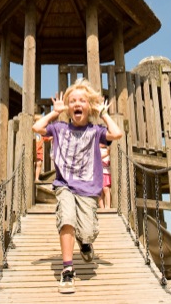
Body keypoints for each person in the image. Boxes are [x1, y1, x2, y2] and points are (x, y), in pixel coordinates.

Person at [32, 78, 123, 294]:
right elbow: (37, 127)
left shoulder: (96, 131)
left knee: (88, 230)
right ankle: (67, 270)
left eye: (82, 100)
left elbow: (117, 134)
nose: (76, 103)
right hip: (64, 184)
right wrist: (55, 113)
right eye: (72, 101)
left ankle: (85, 243)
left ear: (89, 106)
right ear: (69, 107)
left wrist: (104, 114)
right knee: (67, 219)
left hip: (88, 188)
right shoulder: (59, 127)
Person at [98, 143, 111, 209]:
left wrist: (108, 152)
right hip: (99, 173)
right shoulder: (97, 149)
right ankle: (102, 207)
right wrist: (107, 153)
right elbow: (98, 157)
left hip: (106, 172)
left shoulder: (108, 150)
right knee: (100, 190)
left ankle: (108, 206)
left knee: (106, 188)